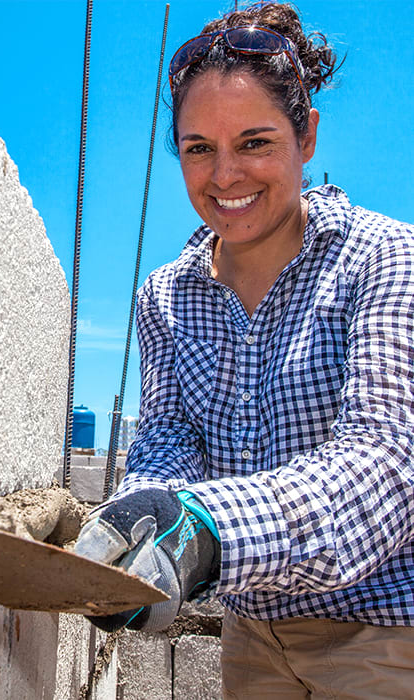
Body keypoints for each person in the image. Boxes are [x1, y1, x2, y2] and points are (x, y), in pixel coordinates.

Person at [75, 2, 414, 696]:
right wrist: (142, 515)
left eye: (254, 142)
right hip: (252, 639)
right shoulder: (165, 297)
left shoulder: (384, 258)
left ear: (306, 134)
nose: (224, 176)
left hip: (384, 633)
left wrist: (207, 532)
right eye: (198, 147)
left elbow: (383, 465)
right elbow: (169, 439)